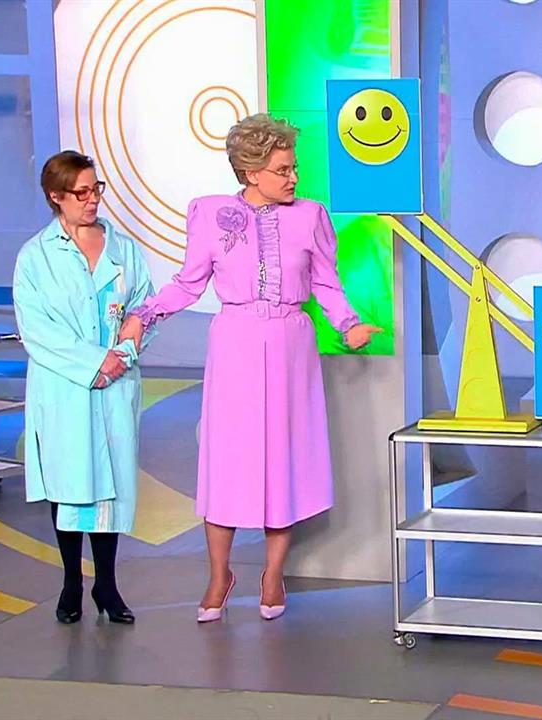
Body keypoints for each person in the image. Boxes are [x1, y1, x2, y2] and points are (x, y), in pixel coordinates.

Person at [119, 113, 380, 622]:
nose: (294, 177)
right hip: (235, 342)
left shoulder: (311, 216)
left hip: (290, 343)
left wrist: (348, 324)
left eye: (294, 167)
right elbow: (188, 282)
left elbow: (326, 283)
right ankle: (219, 574)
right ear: (251, 171)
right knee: (228, 459)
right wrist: (144, 315)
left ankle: (273, 573)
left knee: (283, 458)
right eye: (283, 169)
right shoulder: (210, 214)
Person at [13, 150, 154, 624]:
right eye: (82, 193)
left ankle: (107, 585)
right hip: (65, 387)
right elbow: (38, 330)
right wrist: (96, 362)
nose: (92, 200)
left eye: (96, 190)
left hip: (116, 384)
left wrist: (123, 356)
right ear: (56, 196)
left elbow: (144, 310)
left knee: (110, 484)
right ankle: (71, 581)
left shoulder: (123, 250)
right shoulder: (36, 257)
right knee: (70, 480)